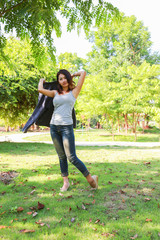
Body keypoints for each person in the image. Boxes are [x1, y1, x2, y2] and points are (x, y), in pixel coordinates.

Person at [38, 69, 98, 192]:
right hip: (54, 127)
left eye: (65, 78)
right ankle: (66, 183)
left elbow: (83, 72)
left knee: (72, 157)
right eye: (60, 79)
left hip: (67, 127)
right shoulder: (55, 93)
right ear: (58, 82)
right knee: (61, 156)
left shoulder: (74, 92)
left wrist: (72, 75)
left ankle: (90, 179)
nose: (63, 80)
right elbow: (40, 90)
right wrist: (41, 81)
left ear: (68, 79)